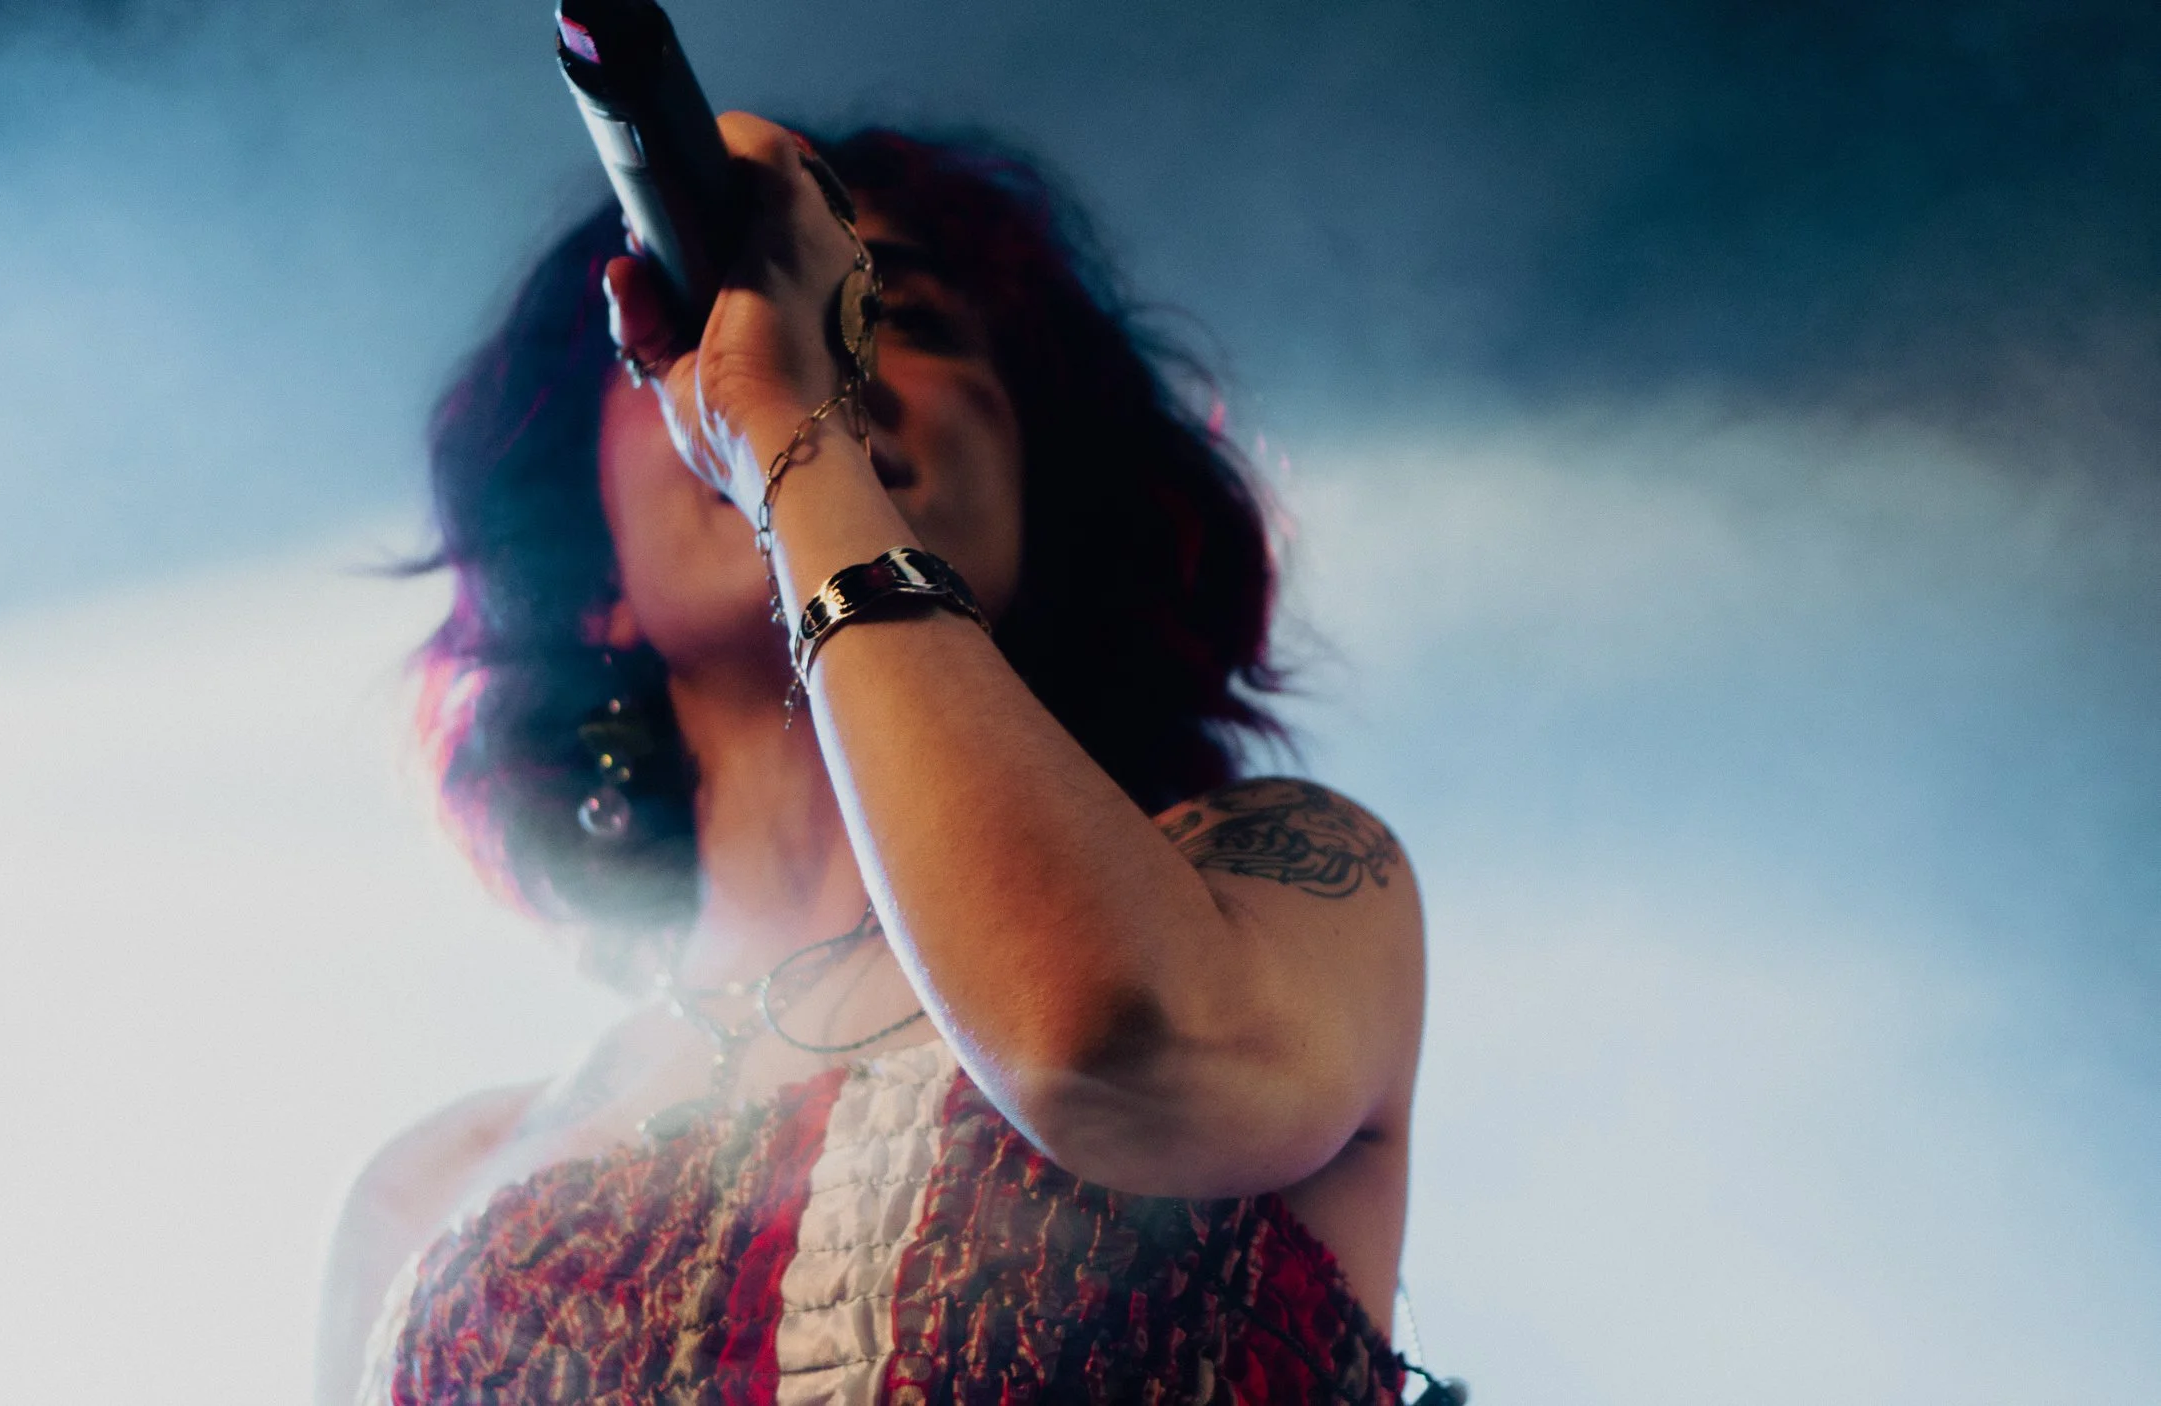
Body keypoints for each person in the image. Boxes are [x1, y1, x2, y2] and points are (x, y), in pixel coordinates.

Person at [319, 115, 1427, 1405]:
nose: (816, 344)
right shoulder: (428, 1194)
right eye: (700, 320)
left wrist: (790, 436)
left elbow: (1101, 1048)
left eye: (904, 315)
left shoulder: (1284, 889)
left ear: (1048, 506)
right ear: (589, 582)